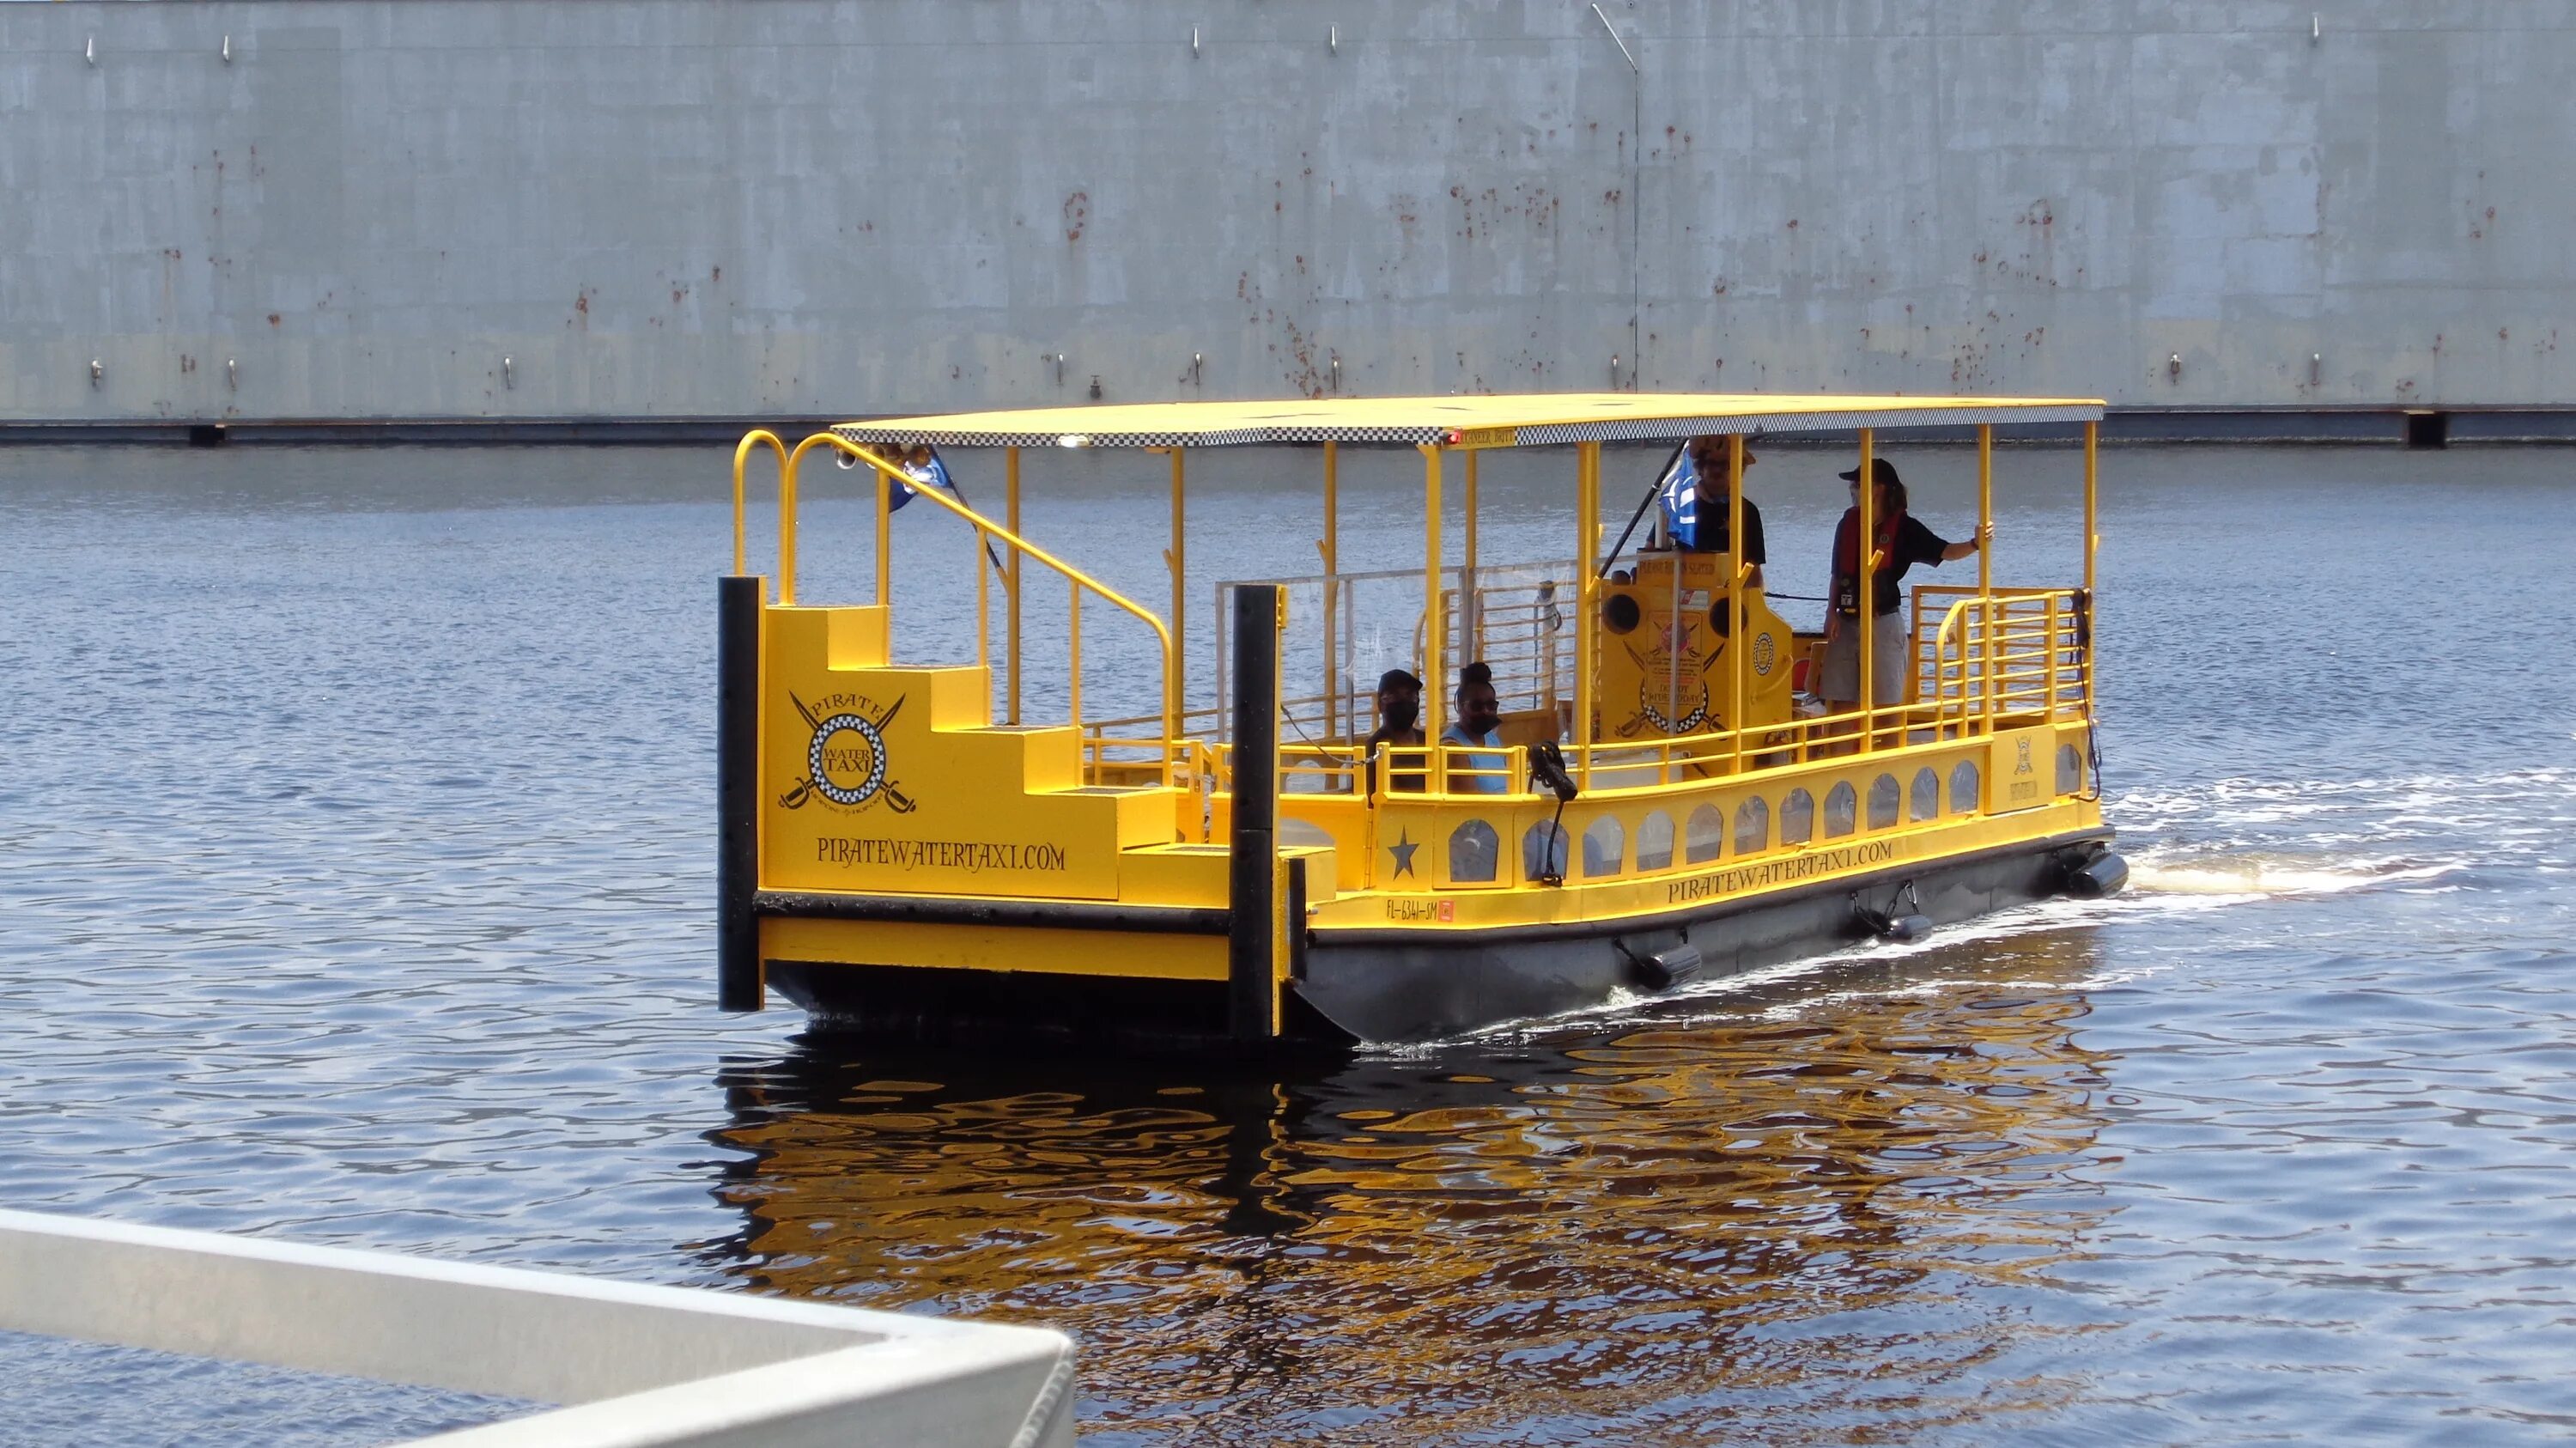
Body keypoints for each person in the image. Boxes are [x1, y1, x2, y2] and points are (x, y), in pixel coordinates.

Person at [1816, 457, 1984, 715]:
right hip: (1847, 623)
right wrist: (1830, 613)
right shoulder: (1848, 524)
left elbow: (1946, 551)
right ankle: (1841, 753)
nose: (1853, 490)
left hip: (1883, 622)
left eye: (1859, 484)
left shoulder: (1905, 528)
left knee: (1886, 708)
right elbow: (1837, 574)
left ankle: (1887, 753)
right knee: (1840, 704)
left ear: (1879, 488)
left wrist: (1975, 544)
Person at [1662, 435, 1767, 588]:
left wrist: (1755, 602)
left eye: (1725, 464)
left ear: (1739, 468)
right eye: (1711, 463)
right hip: (1681, 594)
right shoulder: (1677, 504)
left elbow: (1753, 568)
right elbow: (1652, 551)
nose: (1717, 470)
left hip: (1728, 601)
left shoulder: (1748, 511)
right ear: (1700, 468)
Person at [1442, 661, 1509, 795]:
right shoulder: (1453, 748)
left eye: (1491, 706)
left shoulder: (1492, 739)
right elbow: (1471, 803)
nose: (1486, 711)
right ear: (1460, 707)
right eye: (1476, 706)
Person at [1363, 668, 1425, 794]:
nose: (1403, 702)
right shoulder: (1371, 749)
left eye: (1410, 695)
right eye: (1394, 696)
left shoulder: (1428, 741)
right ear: (1380, 704)